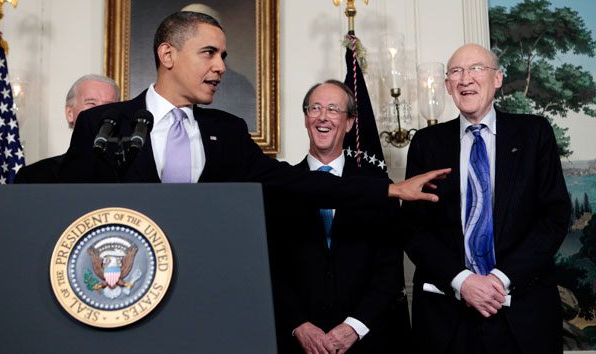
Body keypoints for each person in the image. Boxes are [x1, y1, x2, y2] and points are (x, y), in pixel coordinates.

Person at [58, 11, 449, 207]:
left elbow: (296, 182)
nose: (221, 67)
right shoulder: (102, 123)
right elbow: (66, 210)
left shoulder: (227, 130)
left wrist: (389, 188)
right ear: (168, 54)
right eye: (209, 53)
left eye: (224, 55)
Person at [402, 43, 570, 354]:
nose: (465, 78)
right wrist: (463, 281)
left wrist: (498, 280)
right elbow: (413, 228)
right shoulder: (427, 143)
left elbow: (554, 218)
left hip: (523, 313)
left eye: (476, 68)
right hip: (447, 319)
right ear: (448, 85)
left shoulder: (534, 134)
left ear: (497, 78)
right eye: (456, 71)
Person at [267, 80, 411, 354]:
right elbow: (270, 269)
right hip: (296, 343)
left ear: (349, 123)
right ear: (306, 118)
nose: (322, 116)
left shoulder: (381, 188)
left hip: (366, 342)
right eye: (315, 108)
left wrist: (353, 328)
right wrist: (300, 326)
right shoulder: (280, 187)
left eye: (333, 109)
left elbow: (389, 271)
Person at [14, 74, 119, 183]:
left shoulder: (134, 175)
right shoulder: (33, 177)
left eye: (109, 106)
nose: (100, 111)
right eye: (91, 103)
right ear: (69, 113)